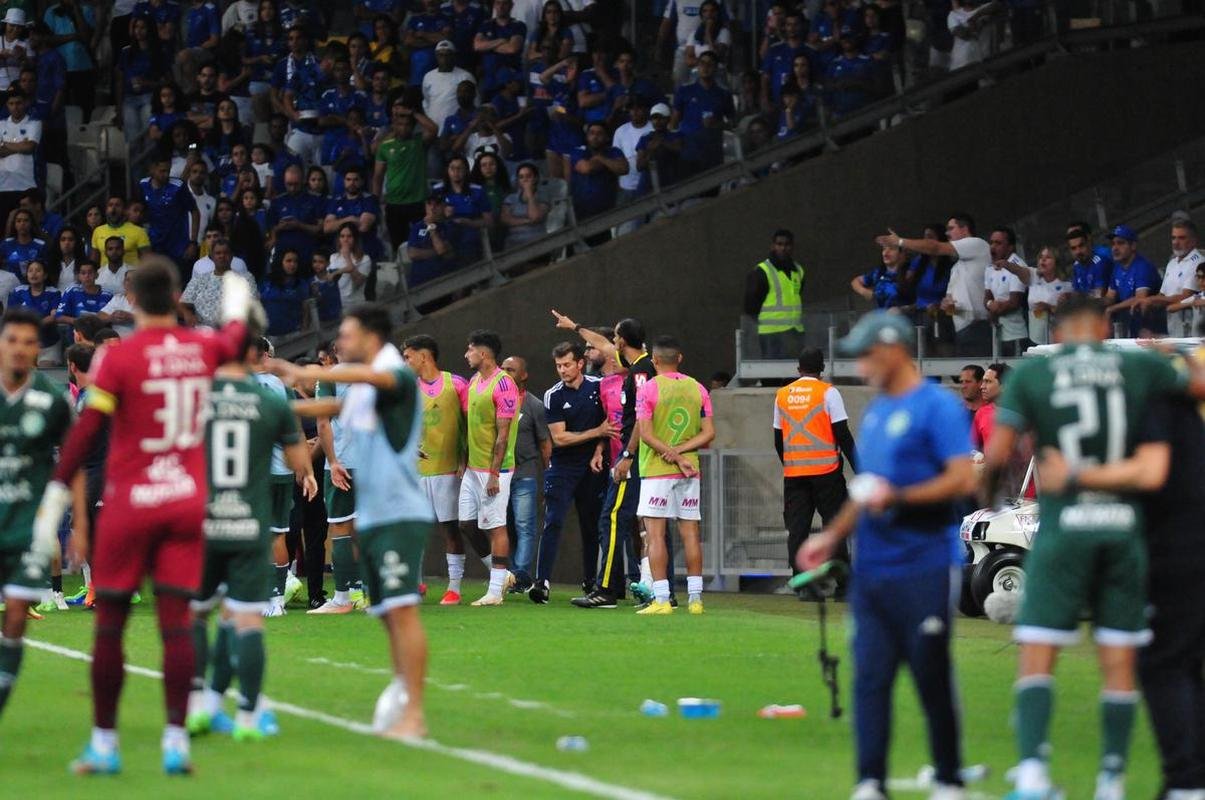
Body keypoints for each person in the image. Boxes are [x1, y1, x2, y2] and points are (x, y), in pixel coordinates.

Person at [32, 257, 257, 775]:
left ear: (131, 299)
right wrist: (239, 295)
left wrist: (55, 495)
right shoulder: (204, 348)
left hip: (131, 504)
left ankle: (105, 744)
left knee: (110, 626)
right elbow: (238, 334)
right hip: (186, 502)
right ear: (176, 296)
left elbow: (86, 433)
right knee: (176, 624)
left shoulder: (120, 358)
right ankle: (176, 741)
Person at [982, 296, 1204, 800]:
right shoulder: (1137, 364)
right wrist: (1177, 354)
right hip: (1123, 526)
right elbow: (1199, 385)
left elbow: (998, 451)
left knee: (1039, 646)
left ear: (1056, 334)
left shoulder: (1035, 374)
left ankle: (1035, 775)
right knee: (1120, 657)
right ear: (1104, 326)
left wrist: (990, 493)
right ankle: (1111, 780)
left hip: (1065, 527)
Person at [800, 311, 973, 800]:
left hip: (924, 565)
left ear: (894, 350)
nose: (860, 368)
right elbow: (866, 490)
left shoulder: (937, 406)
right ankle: (870, 782)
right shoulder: (875, 412)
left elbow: (962, 478)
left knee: (930, 671)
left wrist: (898, 498)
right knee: (870, 677)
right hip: (873, 572)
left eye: (866, 356)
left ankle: (948, 778)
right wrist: (829, 537)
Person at [269, 304, 432, 740]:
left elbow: (371, 381)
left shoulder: (392, 370)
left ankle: (414, 713)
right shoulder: (363, 381)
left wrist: (304, 372)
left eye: (347, 334)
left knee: (401, 612)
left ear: (371, 337)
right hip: (376, 512)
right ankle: (402, 693)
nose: (340, 342)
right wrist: (276, 407)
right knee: (385, 613)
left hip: (399, 512)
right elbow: (335, 404)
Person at [185, 330, 310, 741]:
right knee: (247, 618)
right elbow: (296, 460)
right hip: (249, 524)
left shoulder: (196, 399)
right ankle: (248, 714)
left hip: (204, 521)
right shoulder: (271, 400)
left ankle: (197, 703)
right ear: (253, 356)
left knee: (199, 612)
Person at [552, 311, 663, 607]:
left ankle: (608, 590)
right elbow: (601, 343)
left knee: (613, 519)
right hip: (632, 457)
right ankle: (639, 590)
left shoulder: (640, 372)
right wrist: (575, 326)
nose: (610, 343)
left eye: (615, 337)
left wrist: (627, 454)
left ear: (623, 341)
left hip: (633, 457)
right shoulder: (641, 364)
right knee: (627, 522)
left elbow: (642, 417)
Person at [0, 308, 73, 720]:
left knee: (15, 617)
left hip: (27, 528)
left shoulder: (51, 400)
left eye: (29, 342)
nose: (21, 349)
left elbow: (73, 462)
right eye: (12, 340)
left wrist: (78, 523)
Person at [633, 336, 715, 616]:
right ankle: (695, 600)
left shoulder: (648, 389)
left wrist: (673, 454)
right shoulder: (698, 389)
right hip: (690, 470)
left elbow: (645, 433)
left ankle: (662, 599)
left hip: (657, 470)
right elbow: (708, 433)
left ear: (654, 360)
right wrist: (682, 454)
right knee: (691, 533)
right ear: (679, 358)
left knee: (655, 535)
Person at [528, 342, 609, 604]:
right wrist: (596, 433)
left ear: (580, 364)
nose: (562, 370)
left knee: (591, 524)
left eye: (567, 365)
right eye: (558, 366)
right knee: (553, 520)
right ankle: (542, 583)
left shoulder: (598, 387)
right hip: (563, 466)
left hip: (592, 466)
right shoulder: (554, 395)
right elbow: (559, 438)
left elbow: (610, 425)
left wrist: (599, 448)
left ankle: (590, 581)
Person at [400, 335, 472, 606]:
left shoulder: (457, 384)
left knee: (449, 529)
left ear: (424, 356)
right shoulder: (408, 388)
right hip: (415, 471)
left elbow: (469, 426)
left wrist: (465, 460)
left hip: (448, 469)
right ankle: (416, 584)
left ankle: (454, 588)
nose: (405, 362)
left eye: (408, 356)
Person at [774, 347, 857, 580]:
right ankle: (842, 584)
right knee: (833, 527)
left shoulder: (782, 395)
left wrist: (790, 463)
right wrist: (859, 469)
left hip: (794, 474)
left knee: (797, 529)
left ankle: (801, 582)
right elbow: (843, 435)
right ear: (822, 369)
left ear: (798, 369)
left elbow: (778, 439)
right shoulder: (828, 393)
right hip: (827, 473)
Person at [457, 329, 519, 606]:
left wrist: (494, 473)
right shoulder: (473, 381)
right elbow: (472, 426)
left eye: (470, 350)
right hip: (473, 467)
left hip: (496, 470)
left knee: (496, 527)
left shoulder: (504, 385)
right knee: (467, 524)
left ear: (483, 353)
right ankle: (501, 575)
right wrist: (464, 462)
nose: (466, 354)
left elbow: (503, 434)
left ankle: (495, 592)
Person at [876, 213, 991, 356]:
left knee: (979, 373)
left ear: (965, 229)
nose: (947, 233)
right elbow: (951, 305)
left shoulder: (977, 244)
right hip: (961, 327)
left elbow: (935, 248)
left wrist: (900, 241)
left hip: (977, 325)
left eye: (951, 228)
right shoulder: (957, 266)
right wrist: (946, 305)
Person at [499, 354, 549, 593]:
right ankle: (506, 575)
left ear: (524, 375)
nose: (506, 373)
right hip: (498, 474)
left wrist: (548, 474)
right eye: (503, 368)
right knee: (504, 526)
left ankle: (520, 576)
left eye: (511, 369)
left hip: (524, 473)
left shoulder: (534, 405)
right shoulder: (494, 398)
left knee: (525, 525)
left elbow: (544, 443)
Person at [374, 108, 438, 254]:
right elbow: (377, 176)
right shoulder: (385, 146)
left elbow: (434, 129)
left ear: (412, 126)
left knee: (423, 241)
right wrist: (375, 201)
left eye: (407, 124)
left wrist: (413, 112)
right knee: (398, 246)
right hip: (394, 204)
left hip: (418, 203)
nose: (403, 128)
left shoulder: (419, 142)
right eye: (400, 124)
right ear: (394, 126)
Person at [744, 228, 805, 360]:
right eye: (779, 244)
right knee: (772, 376)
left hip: (794, 332)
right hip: (771, 334)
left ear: (792, 247)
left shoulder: (798, 270)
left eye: (787, 244)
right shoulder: (762, 271)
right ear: (773, 246)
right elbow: (750, 305)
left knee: (794, 374)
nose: (783, 248)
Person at [998, 244, 1072, 348]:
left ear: (1057, 261)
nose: (1043, 260)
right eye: (1041, 257)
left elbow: (1071, 314)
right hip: (1035, 338)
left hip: (1057, 339)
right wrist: (1007, 265)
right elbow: (1019, 270)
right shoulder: (1034, 276)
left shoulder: (1067, 285)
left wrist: (1050, 307)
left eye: (1048, 257)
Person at [1140, 219, 1203, 339]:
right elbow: (1163, 294)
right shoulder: (1172, 262)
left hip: (1189, 326)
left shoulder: (1197, 262)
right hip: (1171, 324)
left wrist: (1152, 300)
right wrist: (1147, 302)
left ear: (1193, 241)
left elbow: (1186, 296)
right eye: (1173, 238)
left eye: (1181, 238)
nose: (1176, 242)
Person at [139, 156, 200, 276]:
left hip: (178, 247)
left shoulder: (178, 186)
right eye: (162, 171)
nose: (166, 174)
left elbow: (195, 211)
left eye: (168, 170)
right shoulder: (143, 185)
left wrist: (193, 242)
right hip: (154, 244)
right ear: (152, 169)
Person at [180, 239, 255, 328]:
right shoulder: (200, 280)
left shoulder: (245, 279)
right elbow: (181, 304)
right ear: (212, 256)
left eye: (226, 253)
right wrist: (187, 315)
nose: (222, 256)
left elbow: (253, 307)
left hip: (233, 331)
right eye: (218, 253)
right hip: (204, 332)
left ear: (232, 255)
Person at [1102, 224, 1160, 338]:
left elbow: (1140, 298)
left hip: (1149, 322)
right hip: (1127, 319)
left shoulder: (1143, 266)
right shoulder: (1117, 267)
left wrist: (1111, 309)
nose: (1115, 248)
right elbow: (1110, 297)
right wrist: (1091, 304)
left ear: (1133, 245)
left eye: (1120, 243)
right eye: (1113, 244)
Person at [0, 89, 40, 229]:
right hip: (3, 185)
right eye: (11, 103)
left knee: (27, 227)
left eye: (18, 103)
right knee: (4, 228)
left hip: (26, 185)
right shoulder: (1, 124)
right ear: (7, 105)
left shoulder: (34, 123)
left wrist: (4, 144)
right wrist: (20, 146)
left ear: (25, 103)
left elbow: (29, 147)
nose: (15, 106)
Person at [500, 162, 549, 250]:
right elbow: (505, 219)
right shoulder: (510, 199)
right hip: (513, 243)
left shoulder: (543, 196)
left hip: (537, 241)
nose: (525, 180)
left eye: (528, 176)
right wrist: (527, 221)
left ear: (535, 178)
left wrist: (530, 195)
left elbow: (535, 217)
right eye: (521, 177)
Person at [91, 195, 150, 266]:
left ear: (125, 210)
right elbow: (94, 261)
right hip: (105, 276)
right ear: (106, 210)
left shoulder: (139, 231)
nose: (113, 208)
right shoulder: (98, 231)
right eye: (110, 205)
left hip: (131, 275)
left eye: (117, 205)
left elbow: (148, 260)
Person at [851, 243, 911, 311]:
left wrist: (902, 309)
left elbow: (921, 302)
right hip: (882, 318)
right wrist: (863, 291)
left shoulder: (911, 273)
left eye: (891, 249)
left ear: (902, 253)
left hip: (906, 320)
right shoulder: (878, 273)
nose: (885, 253)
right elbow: (855, 281)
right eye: (884, 249)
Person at [328, 223, 372, 310]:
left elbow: (358, 283)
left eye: (349, 236)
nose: (345, 239)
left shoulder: (365, 259)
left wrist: (347, 258)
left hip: (355, 305)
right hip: (338, 305)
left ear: (355, 239)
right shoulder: (333, 257)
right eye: (342, 236)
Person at [970, 362, 1007, 451]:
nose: (982, 387)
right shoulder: (981, 413)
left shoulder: (1024, 413)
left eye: (988, 382)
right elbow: (972, 449)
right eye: (983, 381)